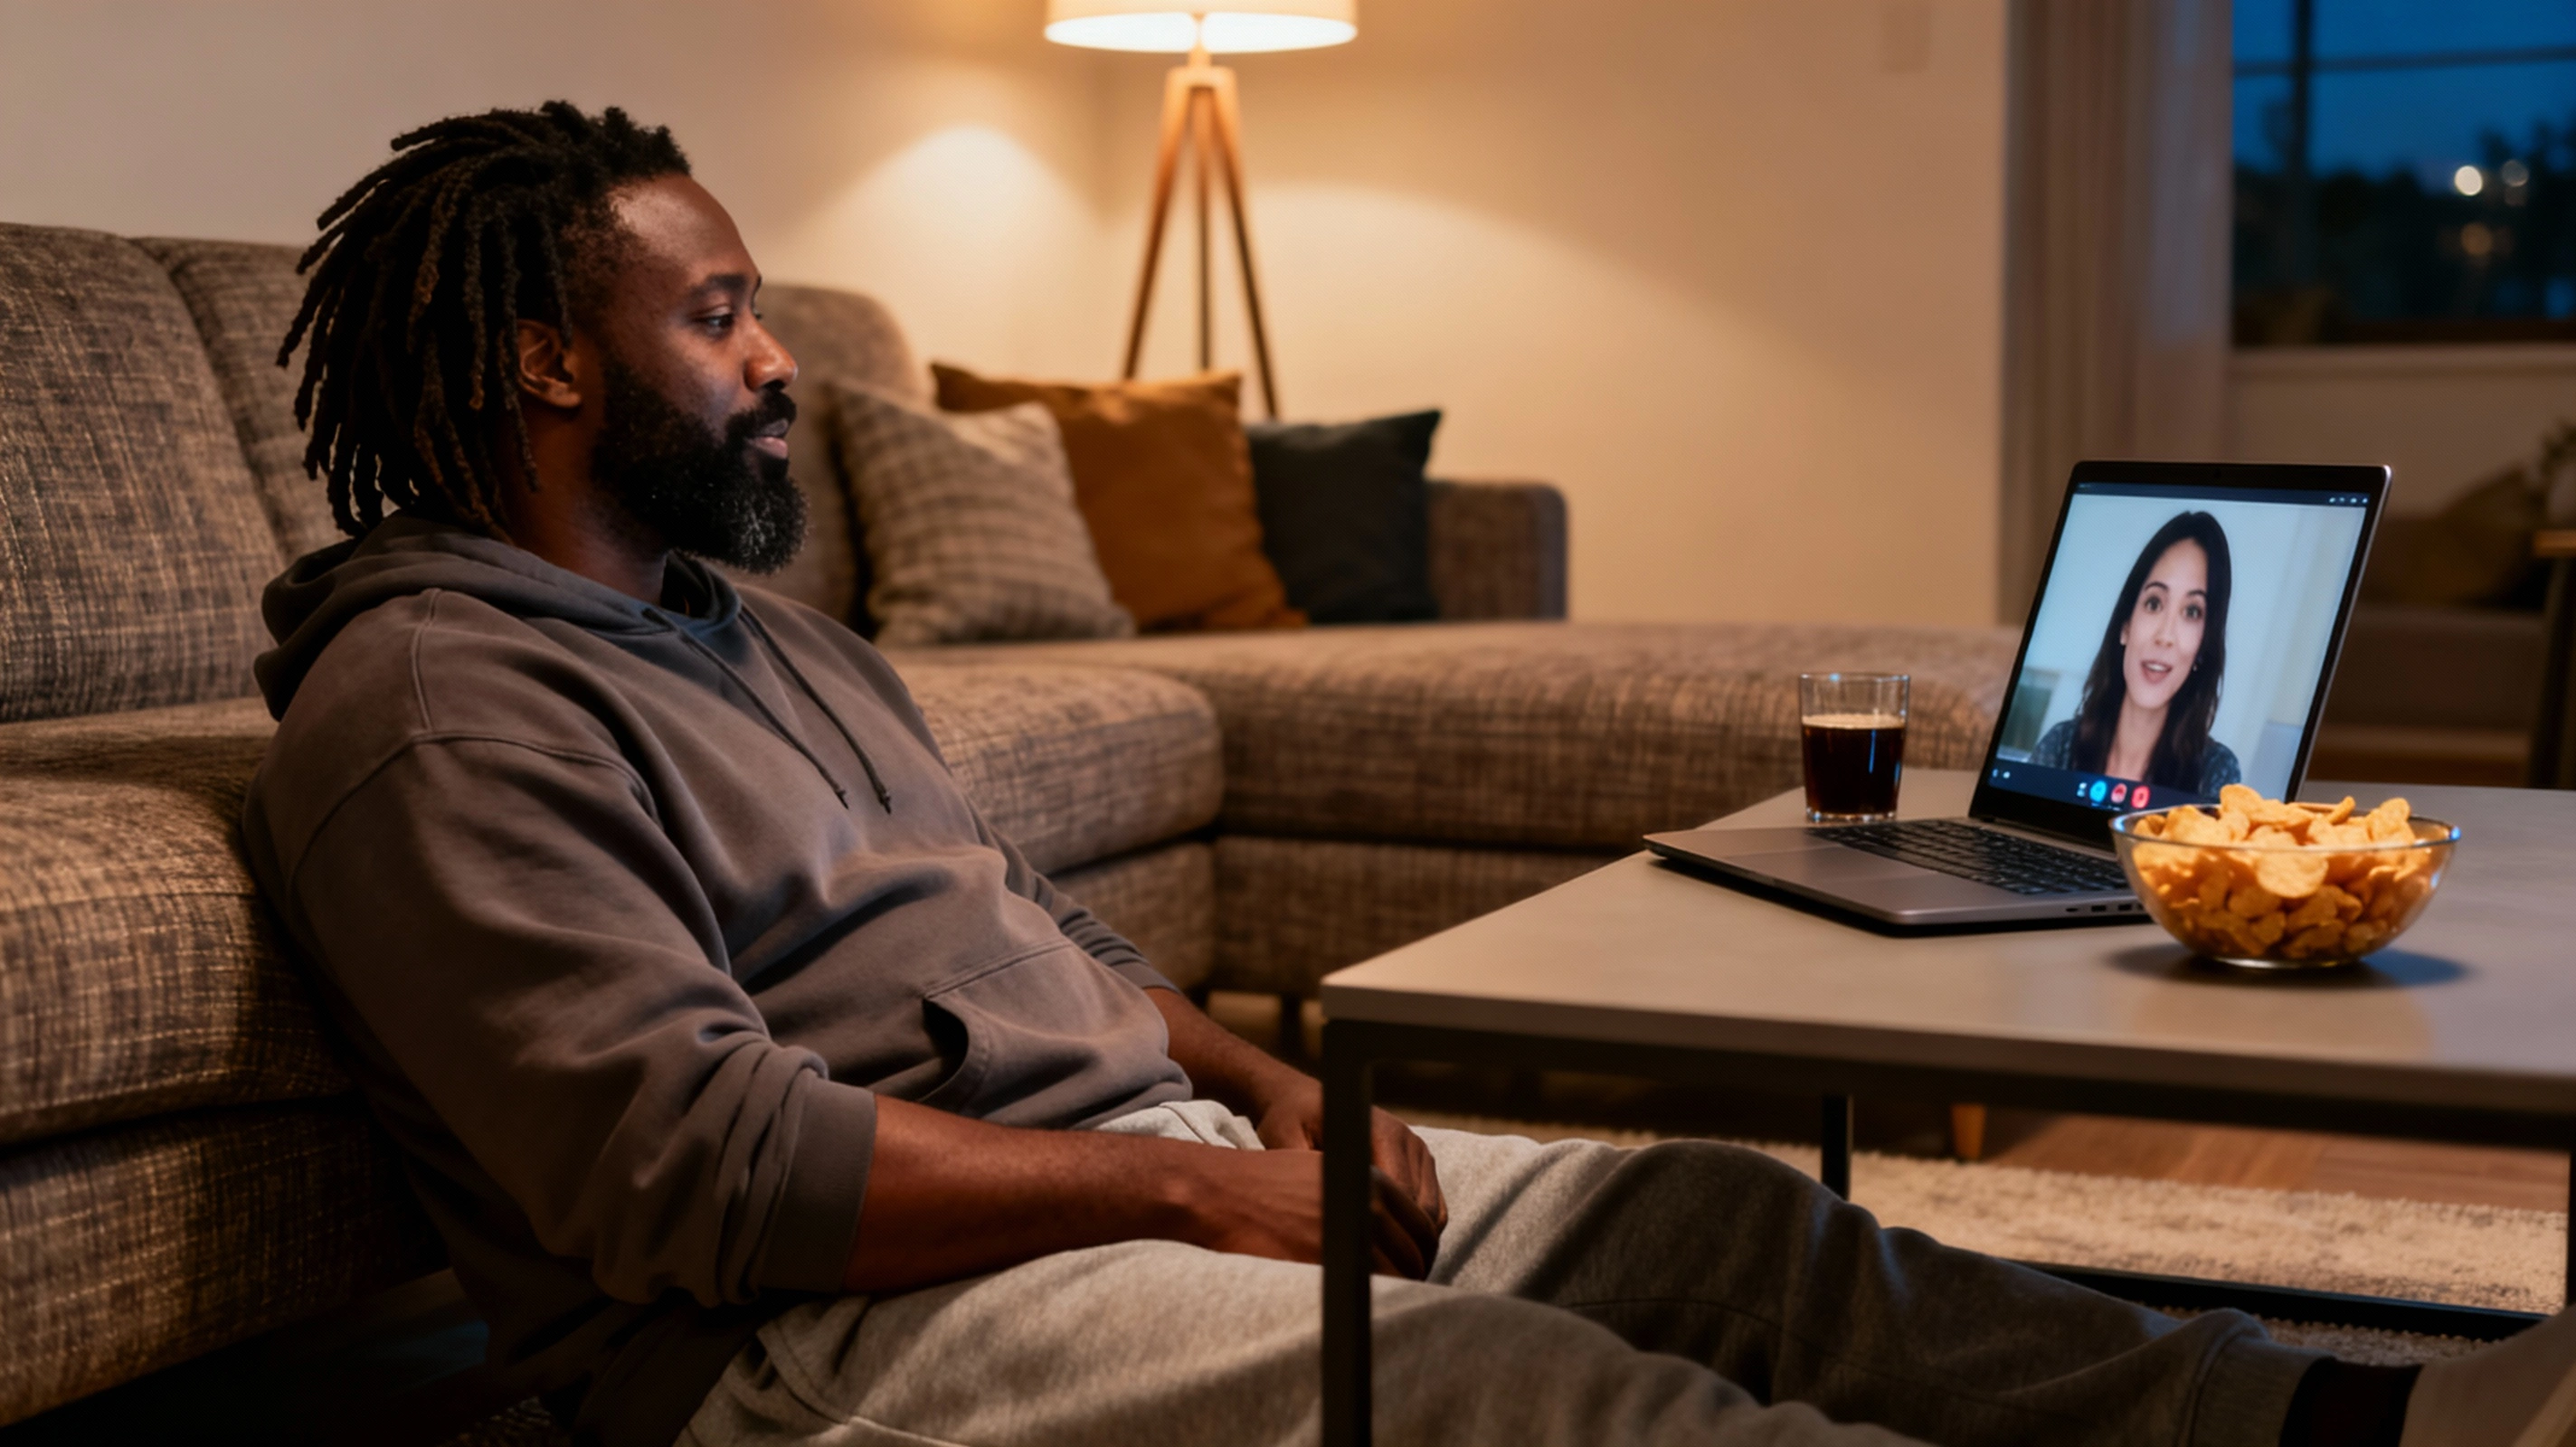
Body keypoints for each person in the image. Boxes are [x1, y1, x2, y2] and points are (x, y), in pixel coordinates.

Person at [236, 103, 2575, 1447]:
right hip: (820, 1336)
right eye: (720, 315)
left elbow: (1045, 942)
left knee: (1719, 1226)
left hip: (1109, 1175)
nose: (767, 363)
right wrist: (1179, 1209)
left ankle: (2349, 1425)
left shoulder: (757, 630)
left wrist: (1291, 1103)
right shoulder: (445, 717)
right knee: (1532, 1398)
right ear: (550, 360)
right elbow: (697, 1176)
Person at [2031, 512, 2243, 797]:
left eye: (2192, 612)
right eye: (2154, 603)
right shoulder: (2060, 746)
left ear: (2203, 648)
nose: (2165, 636)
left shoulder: (2216, 771)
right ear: (2125, 625)